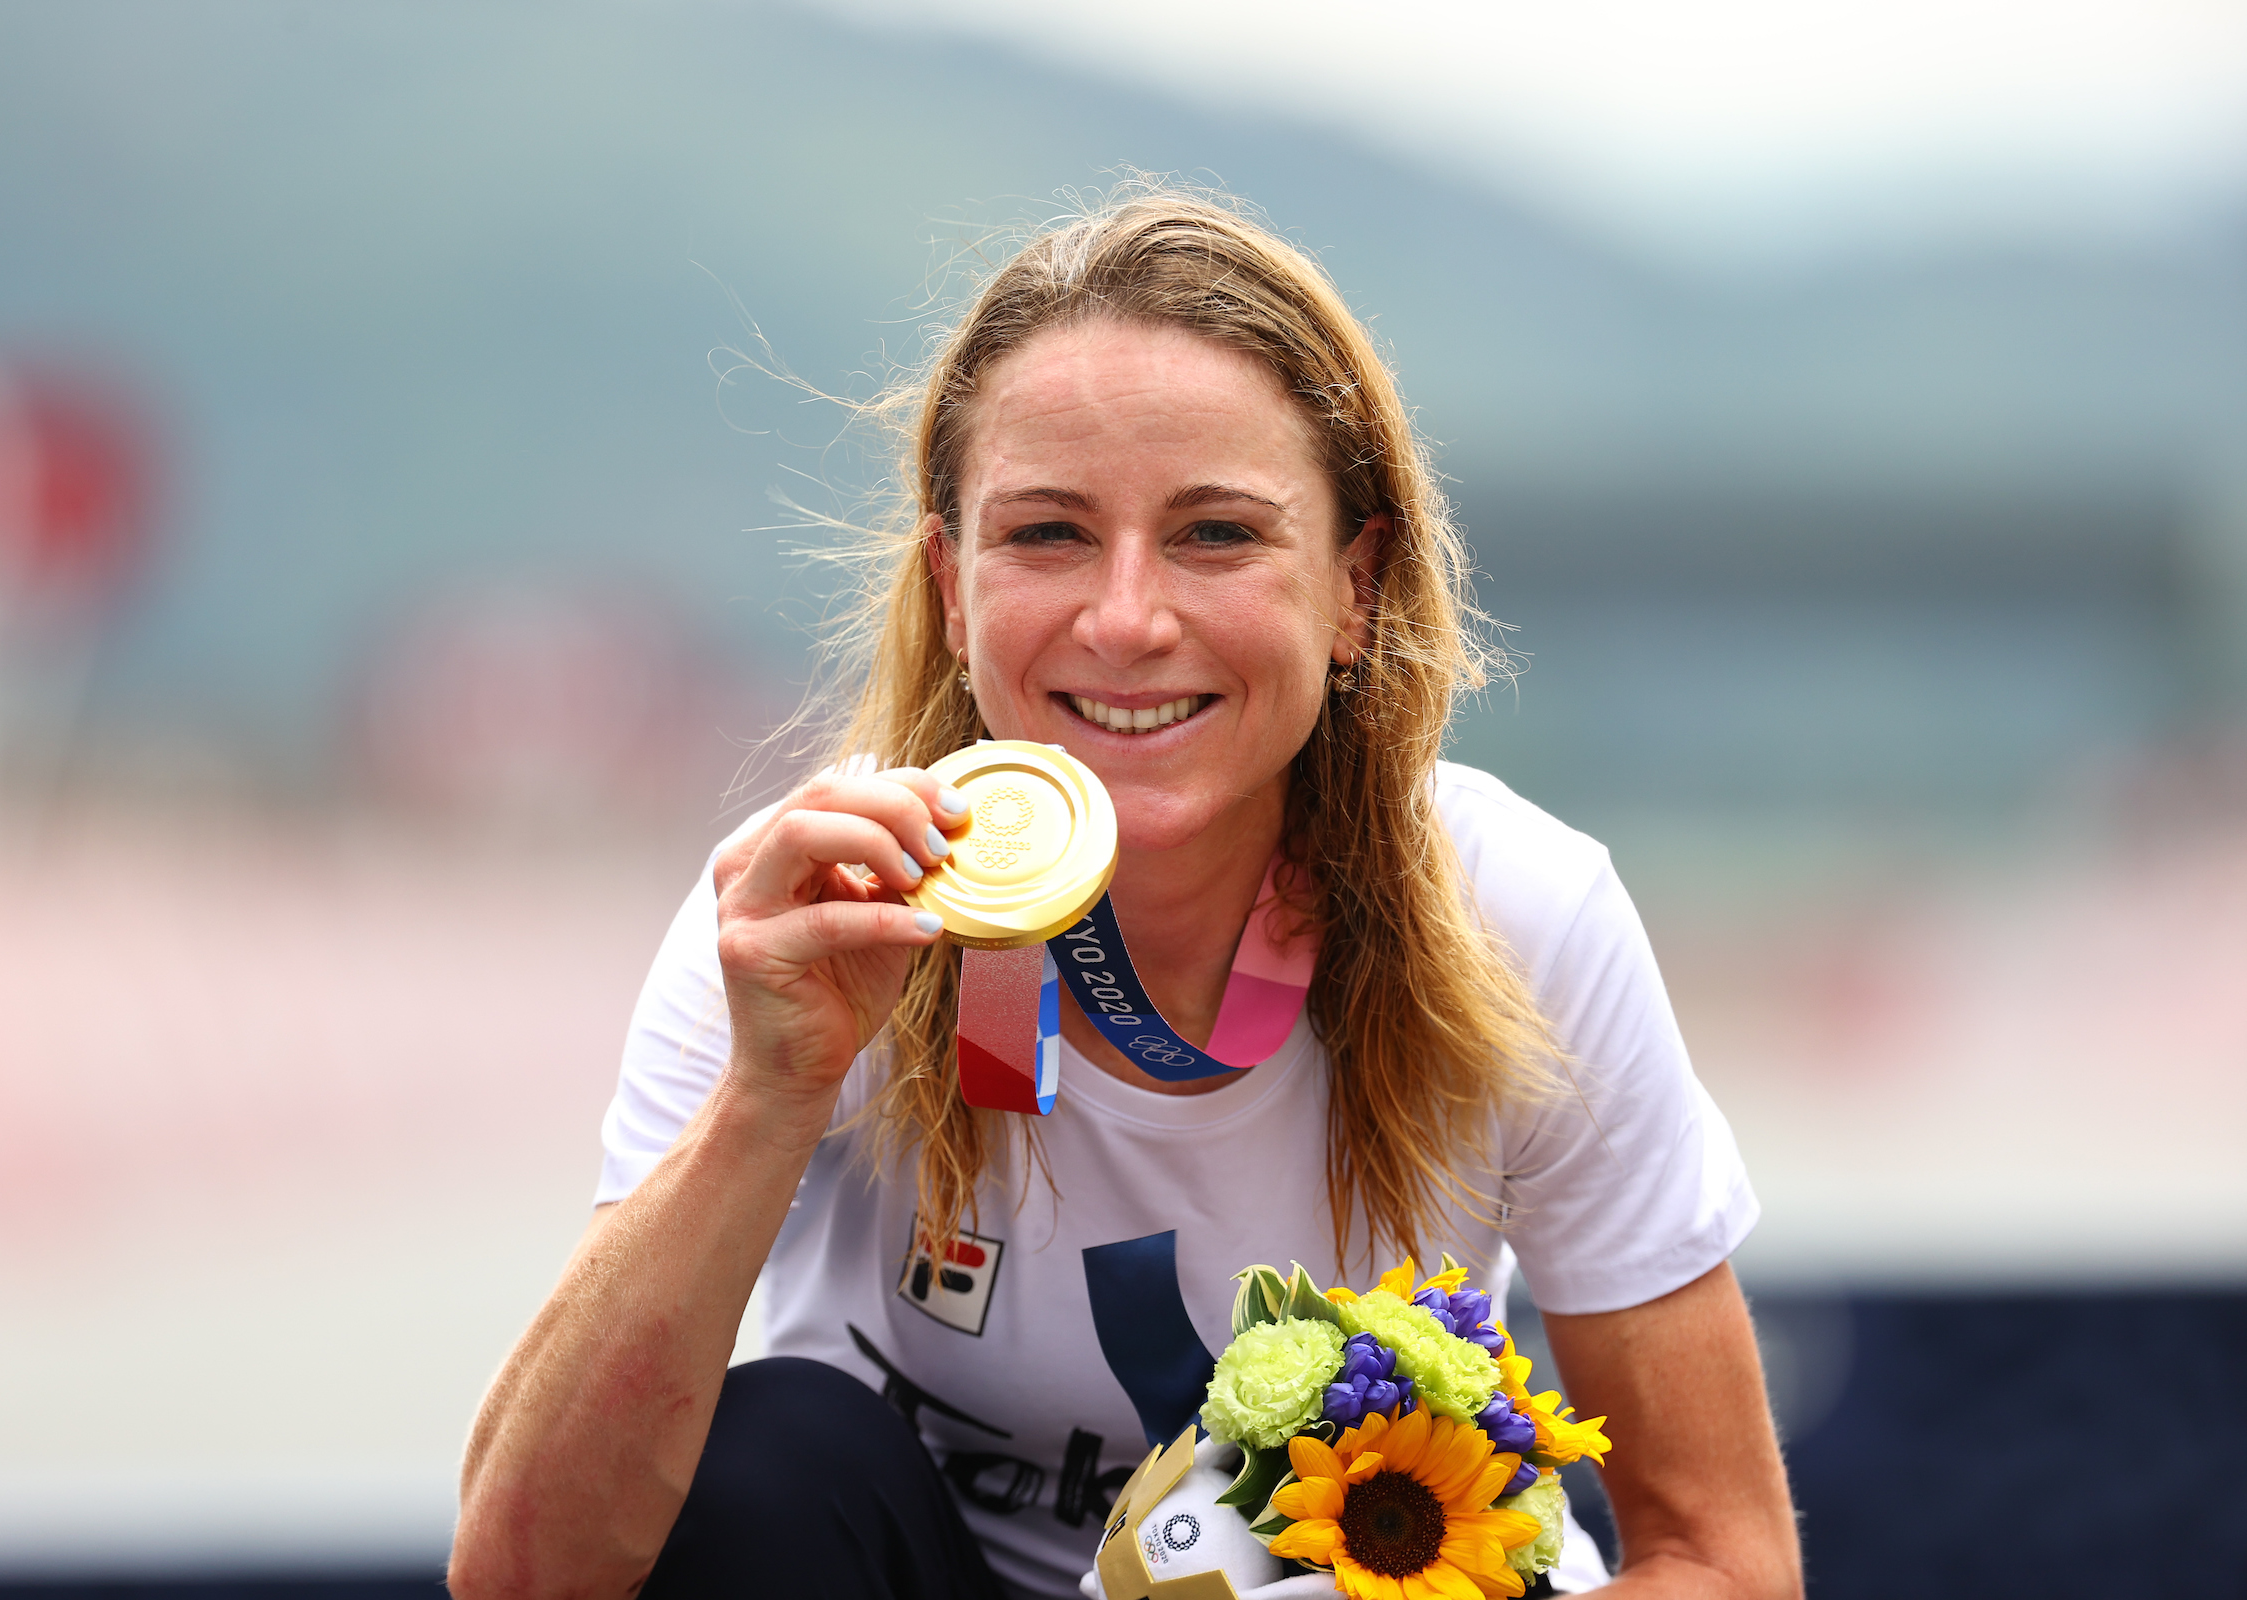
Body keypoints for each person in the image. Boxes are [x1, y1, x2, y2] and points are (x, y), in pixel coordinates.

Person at [449, 187, 1801, 1600]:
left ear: (1356, 585)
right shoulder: (813, 910)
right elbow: (524, 1577)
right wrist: (765, 1101)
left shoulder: (1519, 911)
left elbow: (1726, 1557)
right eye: (1048, 534)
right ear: (953, 589)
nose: (1128, 619)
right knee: (770, 1464)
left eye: (1216, 534)